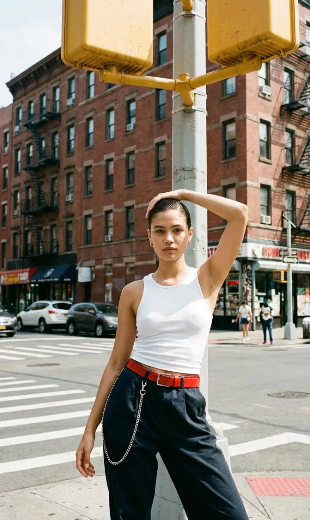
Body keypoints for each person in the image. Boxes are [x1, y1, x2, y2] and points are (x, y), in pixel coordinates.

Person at [75, 190, 249, 519]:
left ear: (190, 235)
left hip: (185, 404)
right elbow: (116, 363)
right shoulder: (134, 292)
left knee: (229, 514)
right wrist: (88, 430)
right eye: (160, 231)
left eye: (177, 229)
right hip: (132, 401)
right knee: (130, 513)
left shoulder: (207, 278)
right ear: (150, 238)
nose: (169, 238)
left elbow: (239, 213)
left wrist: (183, 194)